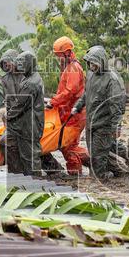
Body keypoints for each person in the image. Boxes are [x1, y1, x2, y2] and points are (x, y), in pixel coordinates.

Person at [72, 45, 126, 179]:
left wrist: (116, 127)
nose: (91, 65)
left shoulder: (112, 79)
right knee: (97, 153)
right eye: (90, 63)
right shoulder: (91, 75)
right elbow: (87, 93)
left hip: (104, 125)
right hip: (92, 123)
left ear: (101, 61)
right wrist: (78, 106)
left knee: (97, 159)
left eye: (94, 62)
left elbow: (117, 105)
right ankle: (121, 168)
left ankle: (102, 177)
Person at [46, 36, 90, 175]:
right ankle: (79, 171)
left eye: (60, 55)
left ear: (67, 52)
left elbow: (69, 92)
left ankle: (95, 164)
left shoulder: (73, 68)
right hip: (70, 114)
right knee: (67, 145)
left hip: (76, 114)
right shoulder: (68, 67)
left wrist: (53, 101)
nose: (59, 59)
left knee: (69, 146)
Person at [6, 50, 45, 175]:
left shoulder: (30, 83)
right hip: (29, 123)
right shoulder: (32, 77)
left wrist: (7, 116)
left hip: (28, 126)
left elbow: (19, 106)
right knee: (27, 154)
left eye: (22, 64)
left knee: (30, 158)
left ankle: (34, 184)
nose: (20, 68)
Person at [0, 49, 23, 172]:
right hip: (13, 119)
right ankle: (15, 171)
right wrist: (6, 114)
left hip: (27, 118)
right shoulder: (5, 80)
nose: (7, 65)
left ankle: (54, 169)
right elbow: (7, 99)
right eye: (5, 64)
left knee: (30, 146)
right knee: (4, 142)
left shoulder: (27, 76)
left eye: (9, 62)